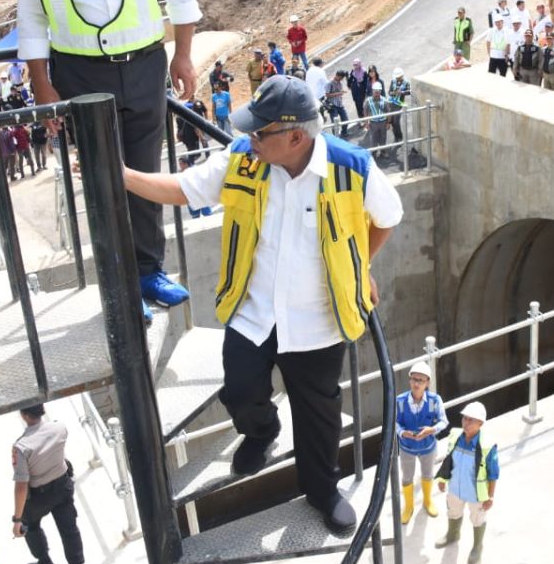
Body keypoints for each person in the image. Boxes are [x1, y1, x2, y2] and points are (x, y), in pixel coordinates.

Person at [122, 76, 404, 535]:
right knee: (239, 387)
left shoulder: (353, 168)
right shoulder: (243, 160)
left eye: (259, 132)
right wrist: (124, 177)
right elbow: (181, 188)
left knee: (319, 414)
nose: (249, 139)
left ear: (294, 137)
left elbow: (388, 219)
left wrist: (359, 266)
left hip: (319, 320)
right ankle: (261, 432)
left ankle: (322, 492)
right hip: (254, 313)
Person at [15, 0, 200, 319]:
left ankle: (147, 271)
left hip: (142, 66)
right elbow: (31, 16)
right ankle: (117, 286)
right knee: (101, 180)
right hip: (76, 72)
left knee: (142, 172)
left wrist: (183, 56)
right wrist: (40, 81)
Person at [12, 404, 86, 564]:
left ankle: (45, 563)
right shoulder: (60, 428)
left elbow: (21, 486)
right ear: (42, 409)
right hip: (62, 487)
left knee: (30, 526)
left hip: (38, 497)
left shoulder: (21, 447)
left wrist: (17, 519)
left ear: (23, 414)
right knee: (70, 528)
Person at [434, 401, 498, 564]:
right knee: (453, 512)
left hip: (476, 494)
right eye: (465, 418)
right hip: (455, 488)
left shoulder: (487, 445)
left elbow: (493, 473)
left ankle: (477, 547)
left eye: (471, 420)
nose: (466, 423)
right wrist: (442, 479)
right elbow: (448, 460)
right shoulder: (455, 436)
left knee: (477, 518)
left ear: (480, 423)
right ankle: (452, 535)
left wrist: (490, 496)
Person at [396, 361, 447, 525]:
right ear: (410, 380)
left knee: (427, 474)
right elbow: (394, 422)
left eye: (421, 380)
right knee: (407, 477)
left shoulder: (434, 400)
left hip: (428, 447)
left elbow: (443, 421)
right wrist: (403, 433)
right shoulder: (400, 401)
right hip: (406, 447)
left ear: (427, 383)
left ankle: (427, 501)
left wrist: (431, 430)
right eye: (414, 379)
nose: (417, 383)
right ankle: (408, 507)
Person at [364, 82, 392, 156]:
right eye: (375, 92)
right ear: (372, 91)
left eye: (378, 92)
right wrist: (366, 123)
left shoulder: (384, 100)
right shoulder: (368, 101)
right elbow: (365, 112)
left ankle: (383, 151)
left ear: (380, 92)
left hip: (383, 122)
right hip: (373, 123)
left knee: (383, 137)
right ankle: (374, 151)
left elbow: (388, 112)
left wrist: (388, 123)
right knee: (373, 137)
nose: (376, 94)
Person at [388, 67, 411, 148]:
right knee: (391, 122)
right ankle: (396, 136)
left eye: (399, 77)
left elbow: (409, 92)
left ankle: (400, 137)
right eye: (397, 77)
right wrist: (394, 93)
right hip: (391, 104)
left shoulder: (406, 82)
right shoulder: (393, 81)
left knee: (396, 122)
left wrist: (401, 92)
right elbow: (389, 92)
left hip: (399, 105)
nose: (398, 78)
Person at [325, 70, 349, 136]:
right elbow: (327, 94)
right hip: (332, 105)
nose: (341, 79)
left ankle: (344, 132)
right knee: (335, 122)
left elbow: (339, 91)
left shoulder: (339, 83)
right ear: (338, 76)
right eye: (341, 78)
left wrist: (341, 92)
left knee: (346, 119)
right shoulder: (329, 83)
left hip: (340, 104)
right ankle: (335, 136)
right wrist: (339, 93)